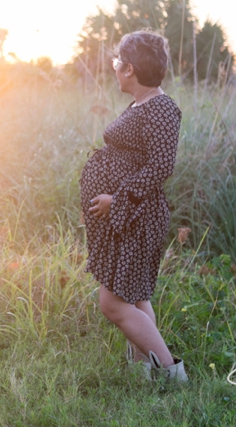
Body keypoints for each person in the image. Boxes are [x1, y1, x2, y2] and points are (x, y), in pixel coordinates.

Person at [79, 29, 187, 381]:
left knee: (112, 302)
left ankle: (172, 374)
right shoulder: (143, 104)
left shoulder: (161, 109)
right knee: (137, 295)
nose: (112, 69)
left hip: (138, 215)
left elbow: (160, 166)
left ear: (129, 69)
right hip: (128, 216)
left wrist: (118, 200)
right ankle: (146, 371)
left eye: (115, 63)